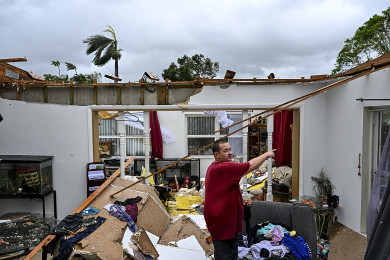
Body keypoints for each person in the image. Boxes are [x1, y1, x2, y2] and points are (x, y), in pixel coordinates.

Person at [204, 139, 276, 260]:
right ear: (217, 155)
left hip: (226, 220)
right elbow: (251, 165)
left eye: (230, 149)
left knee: (231, 251)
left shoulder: (218, 167)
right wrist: (267, 154)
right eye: (225, 151)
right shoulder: (223, 168)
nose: (230, 153)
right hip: (222, 221)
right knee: (225, 254)